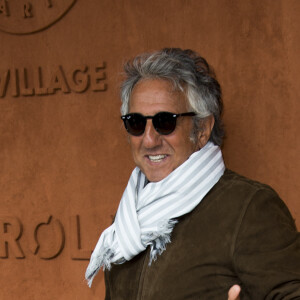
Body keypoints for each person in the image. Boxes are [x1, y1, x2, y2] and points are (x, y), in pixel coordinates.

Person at [85, 48, 300, 299]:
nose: (149, 139)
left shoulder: (248, 208)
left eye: (165, 122)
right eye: (136, 122)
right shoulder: (129, 220)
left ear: (202, 129)